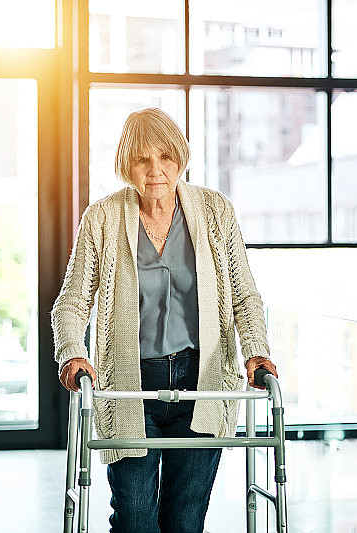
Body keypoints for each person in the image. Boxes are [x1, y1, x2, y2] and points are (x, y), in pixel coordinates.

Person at [51, 107, 277, 533]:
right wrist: (71, 354)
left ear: (181, 159)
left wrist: (256, 352)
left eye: (166, 158)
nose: (156, 170)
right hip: (130, 383)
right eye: (142, 159)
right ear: (126, 165)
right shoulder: (102, 218)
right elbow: (72, 301)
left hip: (202, 381)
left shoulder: (214, 211)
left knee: (185, 521)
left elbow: (244, 295)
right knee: (135, 518)